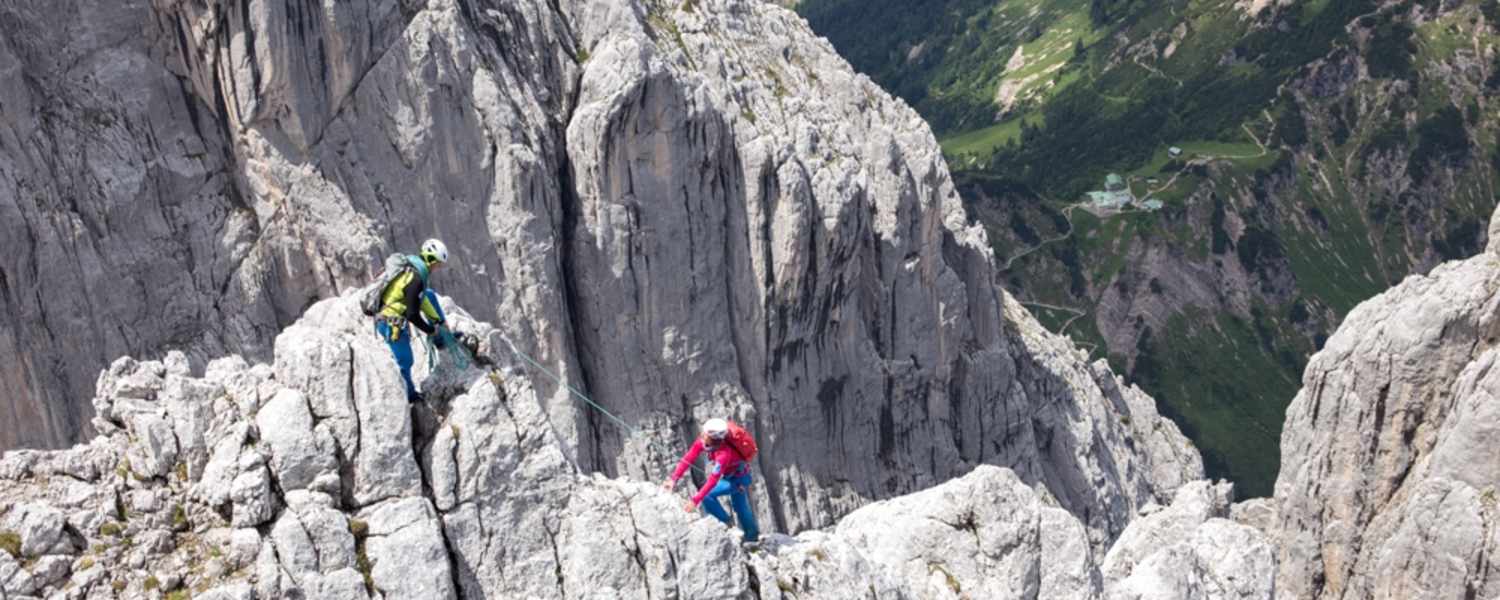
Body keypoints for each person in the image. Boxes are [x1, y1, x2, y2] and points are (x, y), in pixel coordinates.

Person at [373, 238, 456, 403]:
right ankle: (409, 398)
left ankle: (409, 394)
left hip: (390, 319)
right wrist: (430, 330)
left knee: (404, 359)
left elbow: (423, 299)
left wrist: (438, 321)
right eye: (437, 264)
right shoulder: (416, 278)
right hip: (391, 322)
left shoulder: (414, 270)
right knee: (405, 360)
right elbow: (412, 314)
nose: (437, 268)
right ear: (430, 260)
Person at [662, 418, 760, 543]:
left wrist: (694, 501)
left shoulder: (724, 453)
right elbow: (689, 458)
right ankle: (740, 530)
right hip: (733, 474)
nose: (702, 435)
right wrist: (673, 479)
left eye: (705, 433)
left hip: (739, 479)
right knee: (739, 506)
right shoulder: (704, 442)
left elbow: (713, 480)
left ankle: (737, 530)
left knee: (732, 504)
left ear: (712, 438)